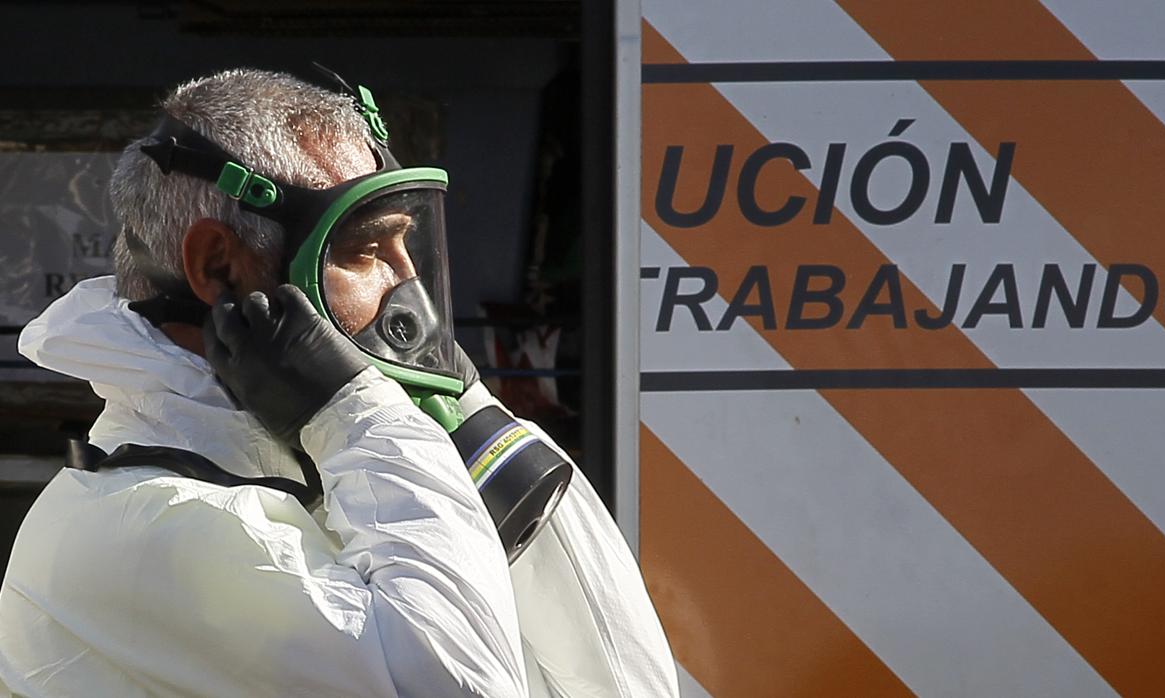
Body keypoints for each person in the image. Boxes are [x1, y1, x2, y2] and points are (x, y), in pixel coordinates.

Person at [0, 69, 678, 697]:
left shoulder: (333, 473)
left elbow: (621, 678)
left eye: (409, 248)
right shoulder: (146, 524)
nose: (412, 298)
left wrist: (473, 424)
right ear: (220, 270)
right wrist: (366, 418)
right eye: (365, 251)